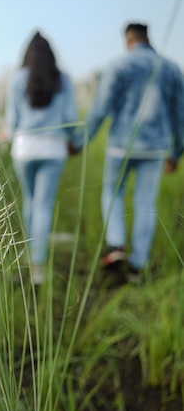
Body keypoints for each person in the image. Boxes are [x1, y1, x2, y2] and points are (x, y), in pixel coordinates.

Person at [70, 22, 184, 282]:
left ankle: (116, 245)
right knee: (146, 203)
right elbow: (180, 115)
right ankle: (138, 264)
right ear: (147, 37)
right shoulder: (171, 68)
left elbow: (99, 109)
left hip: (120, 145)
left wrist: (80, 141)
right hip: (155, 149)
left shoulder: (117, 66)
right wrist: (176, 152)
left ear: (128, 40)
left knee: (112, 192)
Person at [5, 31, 79, 284]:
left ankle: (29, 255)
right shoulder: (63, 79)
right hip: (53, 149)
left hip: (24, 148)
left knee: (29, 200)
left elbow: (12, 121)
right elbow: (70, 117)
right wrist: (76, 142)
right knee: (43, 205)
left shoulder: (16, 80)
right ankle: (38, 267)